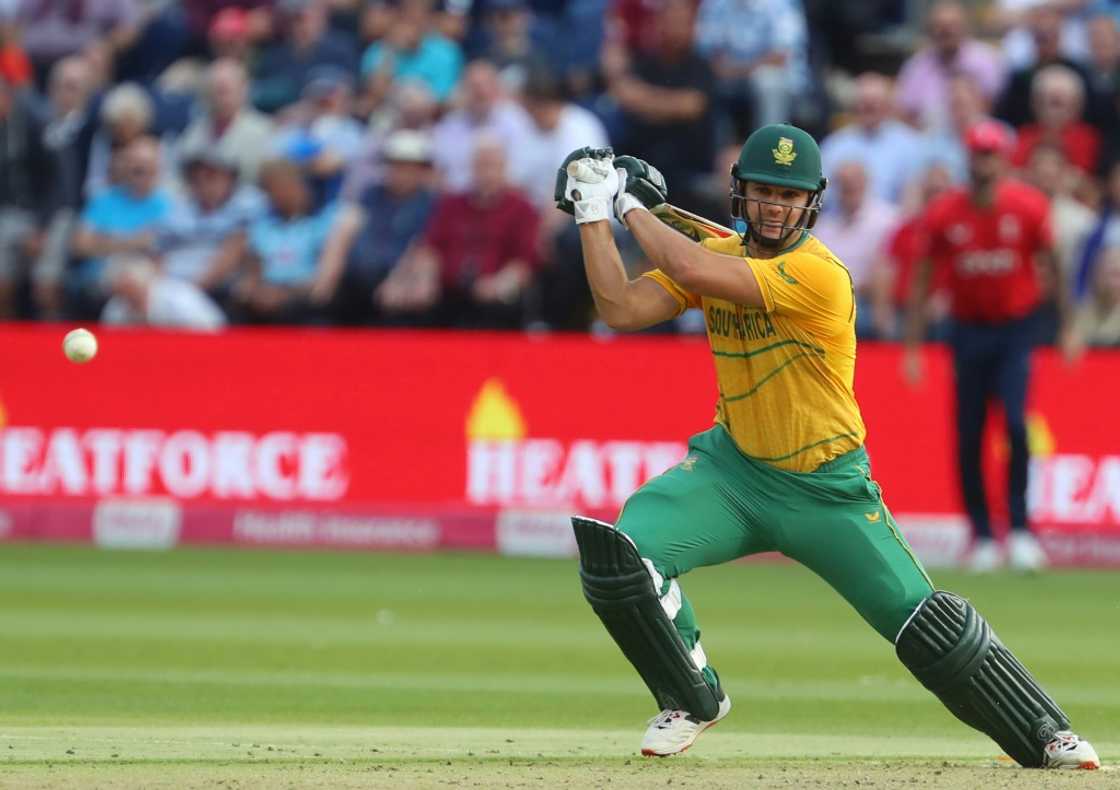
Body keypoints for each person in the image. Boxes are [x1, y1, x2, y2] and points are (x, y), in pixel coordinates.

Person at [553, 125, 1100, 768]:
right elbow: (619, 308)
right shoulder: (725, 252)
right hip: (731, 475)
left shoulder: (818, 274)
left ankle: (1045, 732)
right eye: (762, 193)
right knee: (623, 558)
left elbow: (689, 264)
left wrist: (626, 203)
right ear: (740, 196)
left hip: (828, 489)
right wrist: (593, 213)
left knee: (924, 625)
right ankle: (692, 697)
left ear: (811, 203)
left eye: (788, 196)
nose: (775, 208)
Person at [904, 121, 1075, 573]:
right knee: (970, 432)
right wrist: (914, 344)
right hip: (968, 330)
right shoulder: (946, 213)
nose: (984, 163)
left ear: (1005, 159)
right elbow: (923, 274)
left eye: (991, 154)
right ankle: (980, 534)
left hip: (1017, 328)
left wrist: (1066, 325)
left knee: (1017, 425)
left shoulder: (1028, 206)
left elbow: (1053, 261)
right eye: (978, 154)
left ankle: (1019, 530)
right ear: (969, 158)